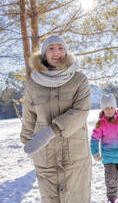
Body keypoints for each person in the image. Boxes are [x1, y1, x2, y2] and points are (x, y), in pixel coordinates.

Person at [20, 35, 92, 203]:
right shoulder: (33, 83)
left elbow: (81, 111)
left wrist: (50, 132)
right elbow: (29, 114)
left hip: (75, 155)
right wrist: (27, 141)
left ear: (66, 52)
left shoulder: (79, 79)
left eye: (60, 48)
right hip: (46, 156)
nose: (56, 52)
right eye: (51, 48)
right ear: (44, 54)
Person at [90, 93, 118, 203]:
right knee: (110, 179)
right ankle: (111, 199)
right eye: (106, 108)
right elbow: (94, 139)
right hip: (108, 157)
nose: (109, 110)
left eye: (111, 107)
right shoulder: (100, 124)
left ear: (115, 108)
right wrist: (95, 152)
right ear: (103, 109)